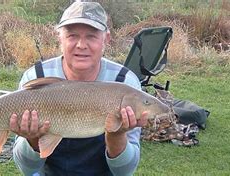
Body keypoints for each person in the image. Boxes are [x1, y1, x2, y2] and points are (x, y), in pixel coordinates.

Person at [9, 2, 148, 176]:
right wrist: (32, 139)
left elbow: (124, 172)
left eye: (91, 36)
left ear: (106, 39)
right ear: (59, 38)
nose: (81, 45)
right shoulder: (37, 76)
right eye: (72, 35)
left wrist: (117, 136)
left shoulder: (125, 83)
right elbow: (27, 169)